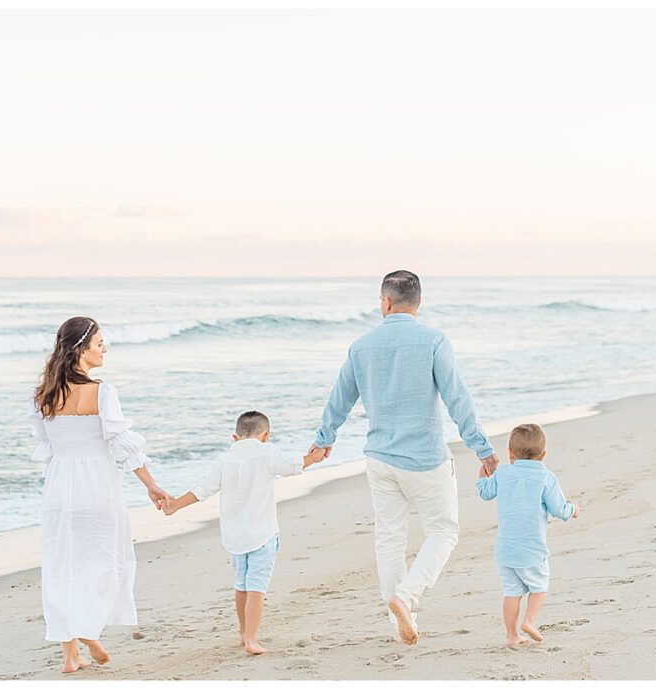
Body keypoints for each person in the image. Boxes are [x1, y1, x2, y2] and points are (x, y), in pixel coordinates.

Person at [309, 270, 499, 645]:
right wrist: (482, 448)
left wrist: (323, 440)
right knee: (444, 531)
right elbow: (457, 397)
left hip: (379, 458)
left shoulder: (361, 346)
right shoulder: (433, 340)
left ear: (385, 302)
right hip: (425, 458)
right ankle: (406, 597)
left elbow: (340, 398)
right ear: (419, 302)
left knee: (390, 539)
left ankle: (399, 617)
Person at [28, 316, 172, 673]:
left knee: (62, 566)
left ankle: (71, 653)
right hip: (97, 487)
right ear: (81, 349)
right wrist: (151, 484)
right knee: (102, 563)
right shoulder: (102, 393)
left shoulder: (42, 396)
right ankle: (88, 630)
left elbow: (46, 446)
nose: (104, 349)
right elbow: (124, 445)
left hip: (61, 488)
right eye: (99, 344)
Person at [161, 411, 326, 654]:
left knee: (241, 584)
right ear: (266, 436)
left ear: (235, 437)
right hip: (263, 534)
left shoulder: (224, 459)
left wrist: (174, 505)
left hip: (234, 537)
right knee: (257, 587)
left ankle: (242, 632)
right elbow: (293, 466)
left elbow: (202, 490)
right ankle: (251, 639)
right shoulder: (268, 452)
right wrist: (316, 456)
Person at [477, 423, 579, 647]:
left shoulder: (503, 473)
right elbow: (558, 510)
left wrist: (482, 477)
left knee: (512, 592)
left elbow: (485, 493)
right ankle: (530, 621)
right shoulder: (546, 477)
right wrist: (573, 508)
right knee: (539, 586)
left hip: (505, 550)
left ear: (510, 454)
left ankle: (512, 636)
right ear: (543, 455)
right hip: (532, 550)